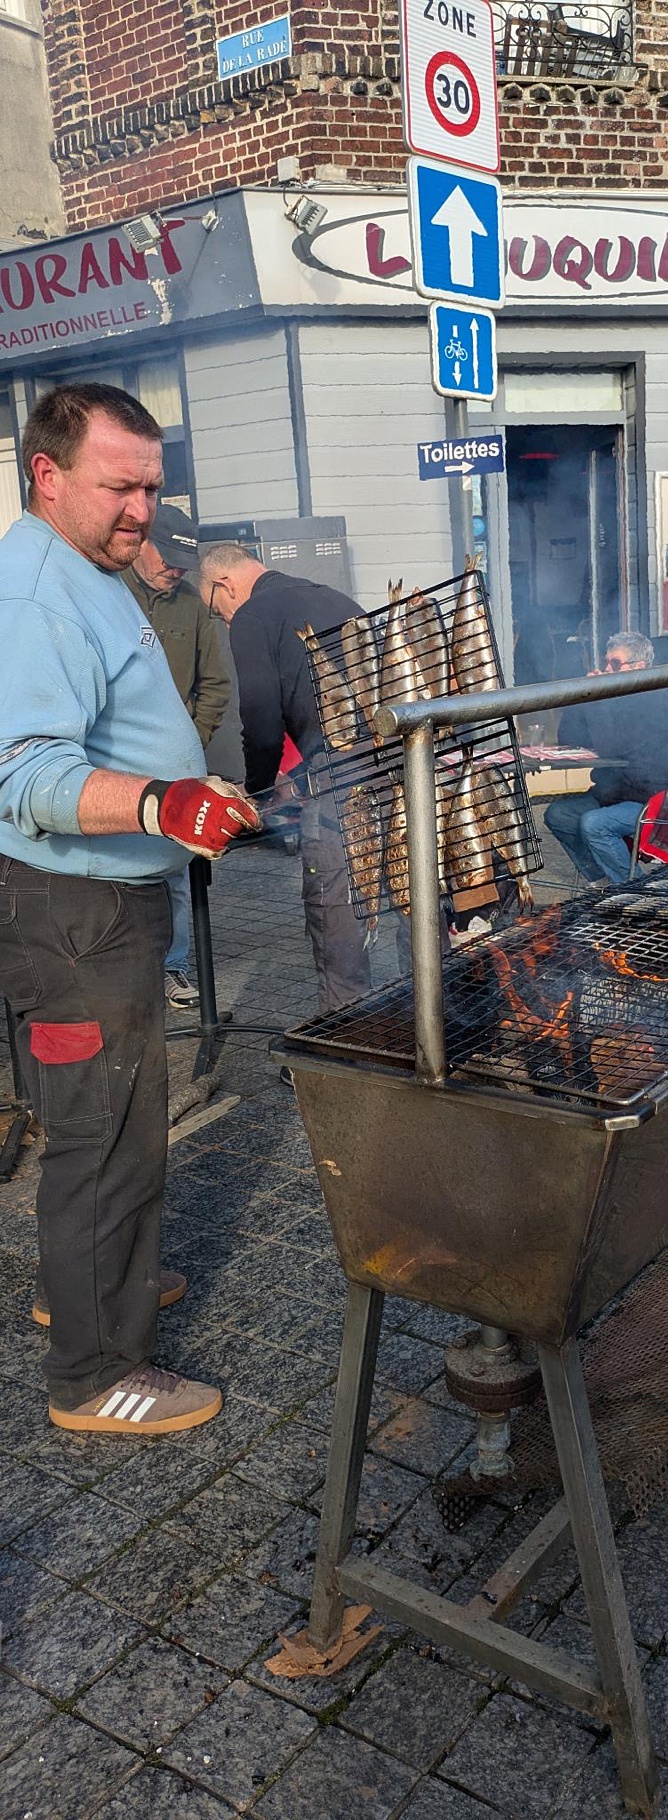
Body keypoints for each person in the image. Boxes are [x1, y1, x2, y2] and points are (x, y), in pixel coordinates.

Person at [0, 382, 260, 1435]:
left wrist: (184, 787)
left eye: (153, 486)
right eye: (121, 486)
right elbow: (20, 769)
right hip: (73, 912)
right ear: (47, 475)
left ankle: (94, 1284)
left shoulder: (92, 566)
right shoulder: (35, 593)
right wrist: (164, 799)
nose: (144, 510)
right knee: (100, 1134)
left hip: (103, 899)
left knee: (114, 1124)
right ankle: (94, 1371)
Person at [197, 541, 371, 1010]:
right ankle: (428, 1017)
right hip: (394, 761)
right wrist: (293, 781)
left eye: (218, 611)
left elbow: (260, 716)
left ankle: (348, 1026)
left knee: (334, 901)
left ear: (224, 584)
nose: (225, 620)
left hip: (340, 781)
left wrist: (256, 789)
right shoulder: (331, 596)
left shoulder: (253, 615)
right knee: (408, 886)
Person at [123, 503, 232, 1009]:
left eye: (184, 563)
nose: (175, 569)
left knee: (176, 872)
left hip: (173, 766)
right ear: (142, 542)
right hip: (114, 763)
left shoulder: (190, 604)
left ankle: (174, 966)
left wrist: (192, 739)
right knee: (118, 869)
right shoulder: (109, 590)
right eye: (167, 557)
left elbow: (214, 685)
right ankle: (129, 969)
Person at [543, 632, 668, 885]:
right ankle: (604, 882)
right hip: (618, 792)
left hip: (658, 798)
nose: (606, 669)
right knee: (559, 814)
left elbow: (612, 747)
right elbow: (570, 738)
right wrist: (582, 697)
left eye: (614, 664)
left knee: (595, 824)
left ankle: (637, 891)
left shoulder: (651, 697)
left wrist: (597, 700)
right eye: (606, 662)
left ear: (639, 667)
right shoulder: (618, 699)